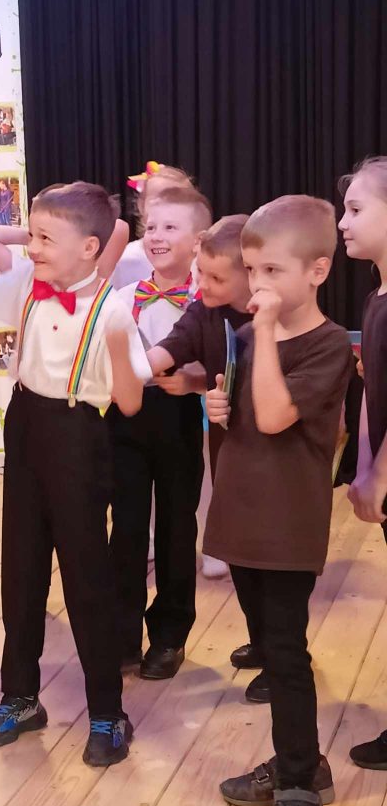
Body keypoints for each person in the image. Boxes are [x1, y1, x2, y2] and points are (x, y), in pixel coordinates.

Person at [0, 182, 150, 766]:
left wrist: (120, 347)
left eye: (46, 238)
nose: (32, 247)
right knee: (21, 569)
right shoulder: (28, 284)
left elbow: (129, 403)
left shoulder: (115, 308)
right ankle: (20, 697)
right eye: (32, 234)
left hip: (79, 435)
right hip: (24, 424)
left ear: (90, 248)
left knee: (86, 576)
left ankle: (107, 710)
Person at [205, 196, 352, 806]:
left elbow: (274, 418)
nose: (257, 285)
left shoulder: (328, 345)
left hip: (287, 528)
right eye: (251, 271)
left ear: (317, 271)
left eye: (272, 272)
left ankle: (299, 783)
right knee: (268, 646)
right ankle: (302, 761)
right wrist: (217, 404)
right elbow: (245, 416)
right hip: (242, 518)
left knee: (287, 656)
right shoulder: (244, 339)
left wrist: (262, 334)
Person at [110, 186, 213, 679]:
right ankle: (121, 633)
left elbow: (223, 363)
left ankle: (170, 635)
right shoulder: (122, 297)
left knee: (176, 527)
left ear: (199, 241)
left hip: (178, 418)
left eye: (170, 227)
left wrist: (195, 378)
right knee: (126, 528)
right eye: (150, 226)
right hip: (124, 420)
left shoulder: (205, 301)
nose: (156, 235)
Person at [147, 215, 252, 586]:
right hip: (228, 442)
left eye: (216, 278)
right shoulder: (202, 311)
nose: (202, 284)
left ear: (251, 273)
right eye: (200, 273)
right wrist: (128, 368)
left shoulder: (279, 316)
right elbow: (169, 348)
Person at [338, 157, 387, 767]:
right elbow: (374, 390)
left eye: (356, 209)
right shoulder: (377, 296)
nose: (343, 222)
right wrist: (365, 467)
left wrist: (382, 474)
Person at [110, 163, 196, 289]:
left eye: (175, 201)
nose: (164, 209)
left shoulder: (200, 256)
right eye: (157, 201)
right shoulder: (127, 260)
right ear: (141, 205)